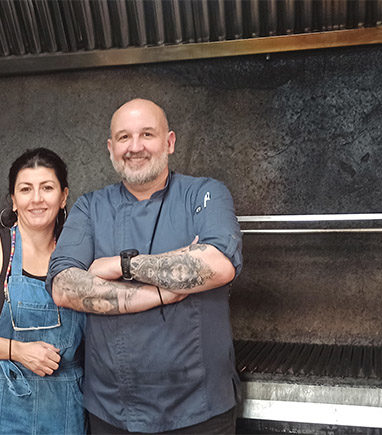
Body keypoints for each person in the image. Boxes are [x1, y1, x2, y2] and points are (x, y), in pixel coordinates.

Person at [48, 99, 243, 434]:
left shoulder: (205, 193)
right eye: (124, 138)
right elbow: (64, 287)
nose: (134, 147)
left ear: (169, 142)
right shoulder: (90, 207)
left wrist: (122, 265)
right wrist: (163, 293)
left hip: (200, 409)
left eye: (147, 135)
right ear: (111, 148)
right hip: (114, 410)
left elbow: (218, 264)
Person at [0, 148, 93, 434]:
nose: (36, 199)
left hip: (65, 405)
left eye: (47, 188)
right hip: (0, 401)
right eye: (25, 189)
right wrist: (17, 351)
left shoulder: (81, 255)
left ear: (63, 197)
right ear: (13, 200)